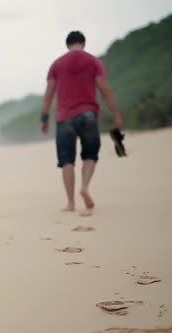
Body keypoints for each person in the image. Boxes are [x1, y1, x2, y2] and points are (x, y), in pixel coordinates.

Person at [40, 31, 122, 216]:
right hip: (88, 115)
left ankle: (70, 203)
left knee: (67, 160)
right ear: (83, 43)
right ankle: (85, 187)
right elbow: (105, 91)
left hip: (64, 117)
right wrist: (116, 114)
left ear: (67, 44)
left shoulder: (56, 64)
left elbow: (49, 94)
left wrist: (43, 118)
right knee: (90, 155)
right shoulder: (93, 61)